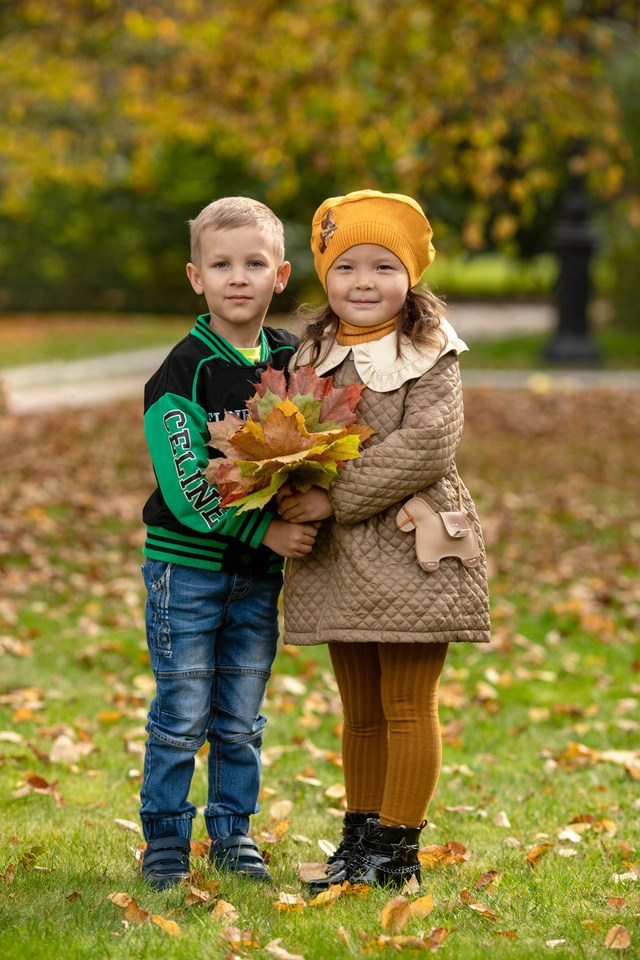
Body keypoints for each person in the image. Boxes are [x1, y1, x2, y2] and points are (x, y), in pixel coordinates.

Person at [278, 190, 491, 890]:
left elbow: (427, 445)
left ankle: (397, 852)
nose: (363, 282)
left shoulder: (429, 350)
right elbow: (294, 433)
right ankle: (359, 842)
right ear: (325, 277)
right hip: (341, 558)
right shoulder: (313, 352)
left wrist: (333, 497)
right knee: (361, 710)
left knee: (406, 703)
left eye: (383, 267)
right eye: (346, 267)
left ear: (410, 276)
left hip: (411, 545)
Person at [139, 196, 319, 890]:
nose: (237, 277)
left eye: (254, 264)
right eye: (221, 265)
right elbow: (187, 484)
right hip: (187, 572)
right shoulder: (183, 371)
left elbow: (318, 446)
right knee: (183, 710)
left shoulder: (293, 360)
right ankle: (165, 838)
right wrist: (265, 528)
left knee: (241, 715)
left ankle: (232, 832)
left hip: (256, 577)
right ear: (196, 277)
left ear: (280, 275)